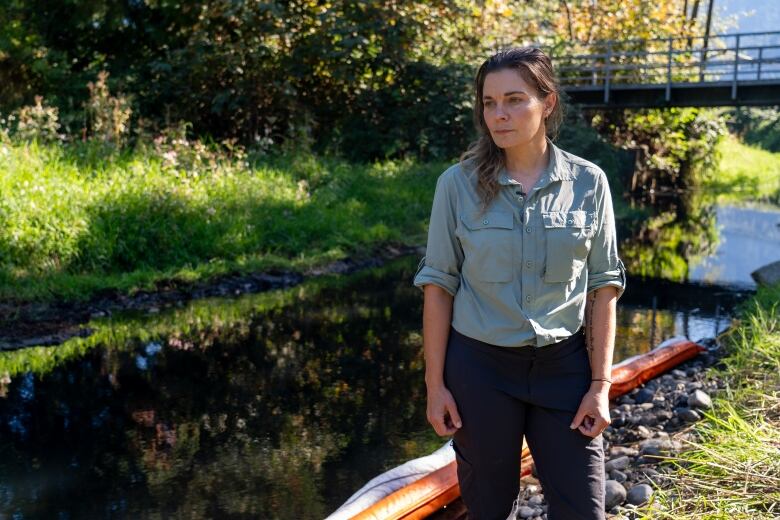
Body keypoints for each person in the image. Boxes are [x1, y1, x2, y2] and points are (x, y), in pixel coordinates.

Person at [412, 47, 627, 520]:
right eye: (489, 103)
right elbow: (438, 286)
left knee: (583, 510)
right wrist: (435, 386)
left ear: (547, 103)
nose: (499, 114)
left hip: (564, 370)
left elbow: (604, 288)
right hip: (479, 371)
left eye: (514, 99)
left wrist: (600, 385)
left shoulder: (589, 183)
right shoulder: (457, 184)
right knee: (489, 510)